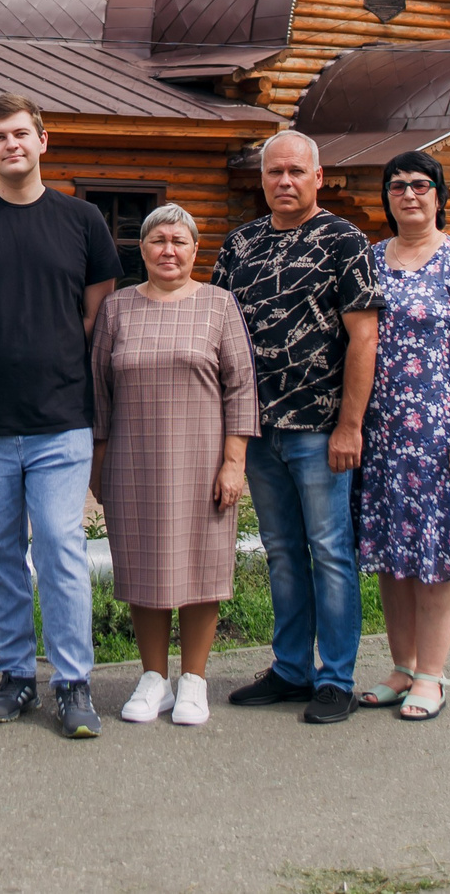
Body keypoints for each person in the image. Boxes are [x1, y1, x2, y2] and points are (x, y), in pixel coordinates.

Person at [0, 92, 124, 740]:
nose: (12, 145)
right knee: (0, 555)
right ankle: (15, 674)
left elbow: (96, 316)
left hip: (60, 417)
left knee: (63, 548)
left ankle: (73, 682)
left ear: (44, 140)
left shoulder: (82, 219)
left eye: (22, 134)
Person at [210, 128, 382, 725]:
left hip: (319, 429)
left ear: (318, 177)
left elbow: (365, 338)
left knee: (331, 551)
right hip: (257, 430)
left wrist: (349, 426)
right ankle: (290, 669)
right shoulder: (240, 246)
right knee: (282, 552)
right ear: (262, 180)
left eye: (296, 172)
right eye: (274, 172)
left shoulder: (344, 242)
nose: (285, 182)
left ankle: (335, 678)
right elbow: (221, 337)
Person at [89, 203, 256, 729]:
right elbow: (98, 390)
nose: (168, 250)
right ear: (142, 249)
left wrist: (234, 463)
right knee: (144, 568)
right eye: (158, 240)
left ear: (194, 249)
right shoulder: (118, 309)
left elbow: (241, 386)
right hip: (133, 458)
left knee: (202, 567)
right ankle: (153, 678)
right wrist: (99, 461)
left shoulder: (219, 304)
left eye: (179, 241)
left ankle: (195, 681)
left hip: (203, 458)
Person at [355, 150, 450, 723]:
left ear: (440, 194)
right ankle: (401, 667)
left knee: (436, 556)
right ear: (386, 198)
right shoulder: (370, 261)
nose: (410, 195)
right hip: (384, 435)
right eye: (397, 186)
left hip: (443, 439)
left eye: (421, 185)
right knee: (394, 556)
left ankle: (432, 676)